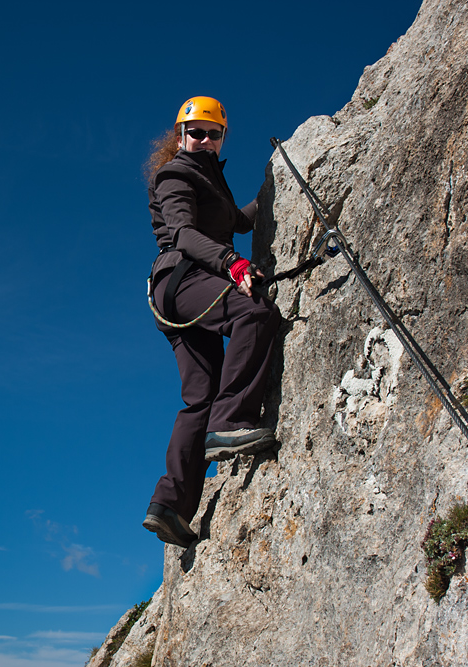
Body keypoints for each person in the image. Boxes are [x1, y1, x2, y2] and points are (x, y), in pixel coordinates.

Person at [141, 96, 282, 549]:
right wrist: (232, 264)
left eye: (212, 133)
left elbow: (235, 221)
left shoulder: (210, 181)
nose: (203, 139)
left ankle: (170, 506)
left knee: (199, 396)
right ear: (180, 137)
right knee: (255, 312)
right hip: (184, 277)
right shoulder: (176, 173)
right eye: (195, 132)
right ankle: (233, 421)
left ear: (222, 139)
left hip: (177, 292)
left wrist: (271, 191)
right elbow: (182, 232)